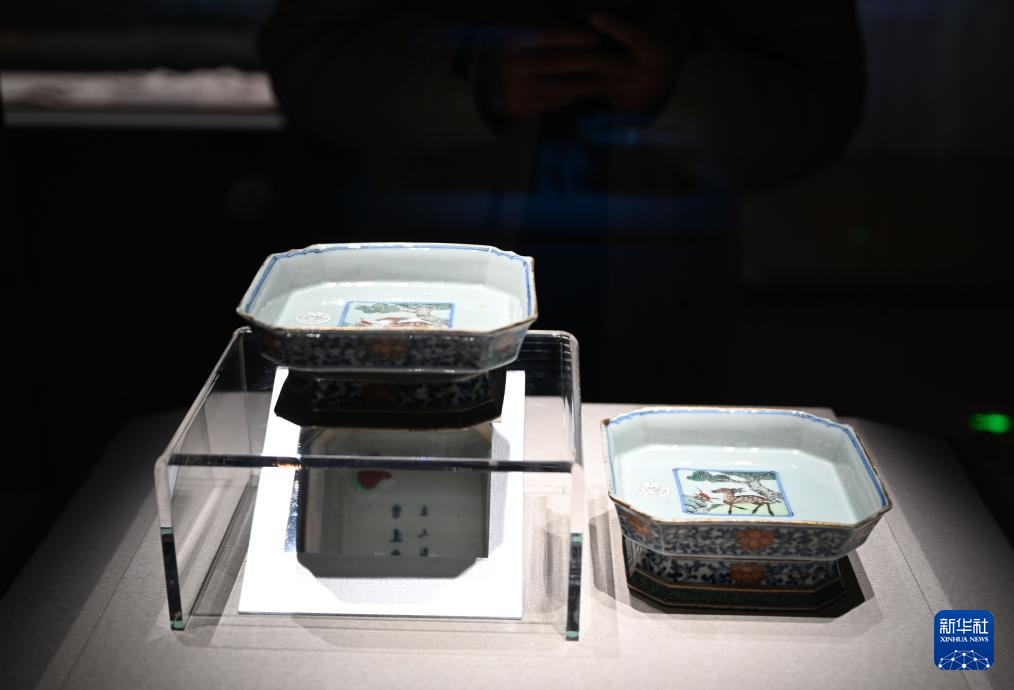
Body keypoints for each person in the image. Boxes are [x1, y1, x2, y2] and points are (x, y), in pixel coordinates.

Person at [258, 1, 865, 401]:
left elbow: (820, 110)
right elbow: (308, 62)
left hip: (662, 291)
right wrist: (469, 76)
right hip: (432, 265)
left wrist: (680, 87)